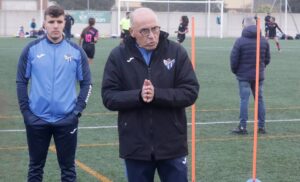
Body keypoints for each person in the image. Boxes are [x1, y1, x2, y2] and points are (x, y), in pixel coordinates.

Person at [101, 7, 199, 182]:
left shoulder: (176, 52)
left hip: (172, 145)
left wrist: (157, 95)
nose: (152, 35)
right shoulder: (118, 56)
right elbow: (109, 97)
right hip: (135, 146)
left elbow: (190, 92)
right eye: (144, 31)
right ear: (132, 32)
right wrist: (138, 96)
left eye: (155, 29)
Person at [16, 5, 92, 181]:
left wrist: (76, 111)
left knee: (68, 170)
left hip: (67, 119)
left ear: (64, 22)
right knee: (35, 168)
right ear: (44, 24)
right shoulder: (31, 49)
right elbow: (21, 82)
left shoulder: (76, 52)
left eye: (59, 21)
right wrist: (26, 113)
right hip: (36, 119)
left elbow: (87, 83)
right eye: (51, 22)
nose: (56, 26)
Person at [230, 16, 270, 135]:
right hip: (259, 76)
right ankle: (261, 126)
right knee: (260, 100)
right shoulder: (264, 40)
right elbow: (267, 59)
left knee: (244, 100)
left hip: (244, 76)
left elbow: (233, 60)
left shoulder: (240, 41)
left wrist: (236, 71)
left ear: (245, 25)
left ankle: (243, 127)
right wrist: (261, 68)